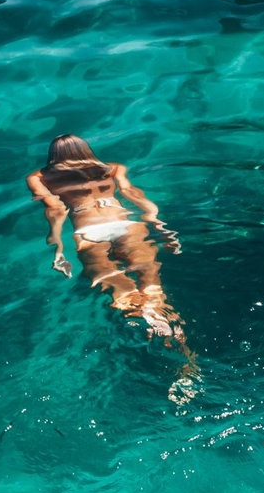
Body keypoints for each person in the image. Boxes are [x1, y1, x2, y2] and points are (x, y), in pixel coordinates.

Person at [27, 135, 184, 342]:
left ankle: (144, 322)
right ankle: (170, 329)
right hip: (127, 225)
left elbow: (56, 209)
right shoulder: (113, 168)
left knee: (117, 286)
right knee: (151, 281)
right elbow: (132, 193)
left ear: (53, 155)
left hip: (89, 232)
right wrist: (159, 225)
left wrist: (58, 248)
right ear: (86, 149)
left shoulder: (38, 178)